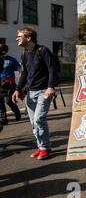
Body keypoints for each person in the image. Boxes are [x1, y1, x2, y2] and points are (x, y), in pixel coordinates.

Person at [12, 28, 60, 160]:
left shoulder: (43, 51)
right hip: (30, 92)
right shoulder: (25, 54)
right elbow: (24, 74)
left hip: (43, 91)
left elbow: (52, 69)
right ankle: (42, 147)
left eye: (20, 36)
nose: (17, 38)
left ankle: (44, 147)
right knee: (34, 123)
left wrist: (51, 87)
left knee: (39, 119)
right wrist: (17, 89)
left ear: (28, 38)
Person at [0, 44, 22, 125]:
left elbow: (20, 69)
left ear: (4, 51)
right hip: (0, 83)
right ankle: (3, 118)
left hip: (9, 83)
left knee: (8, 101)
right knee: (0, 102)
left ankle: (17, 112)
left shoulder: (11, 60)